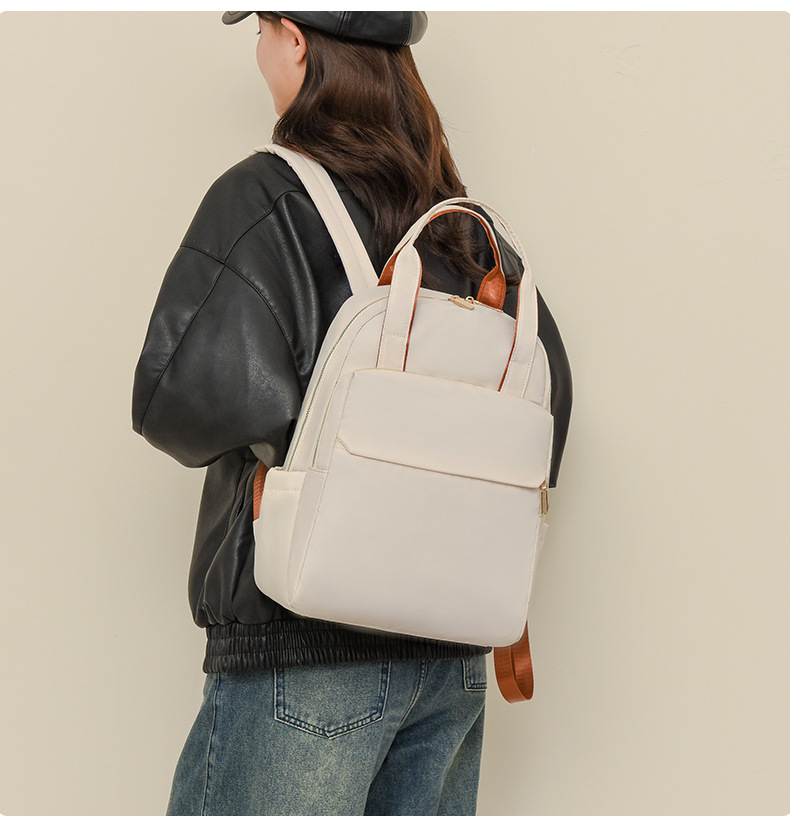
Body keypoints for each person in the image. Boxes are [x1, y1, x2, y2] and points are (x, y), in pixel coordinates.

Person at [132, 11, 572, 817]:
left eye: (261, 30)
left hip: (305, 653)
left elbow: (174, 396)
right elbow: (547, 414)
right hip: (451, 667)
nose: (260, 50)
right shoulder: (469, 238)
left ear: (297, 41)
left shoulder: (265, 197)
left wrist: (307, 441)